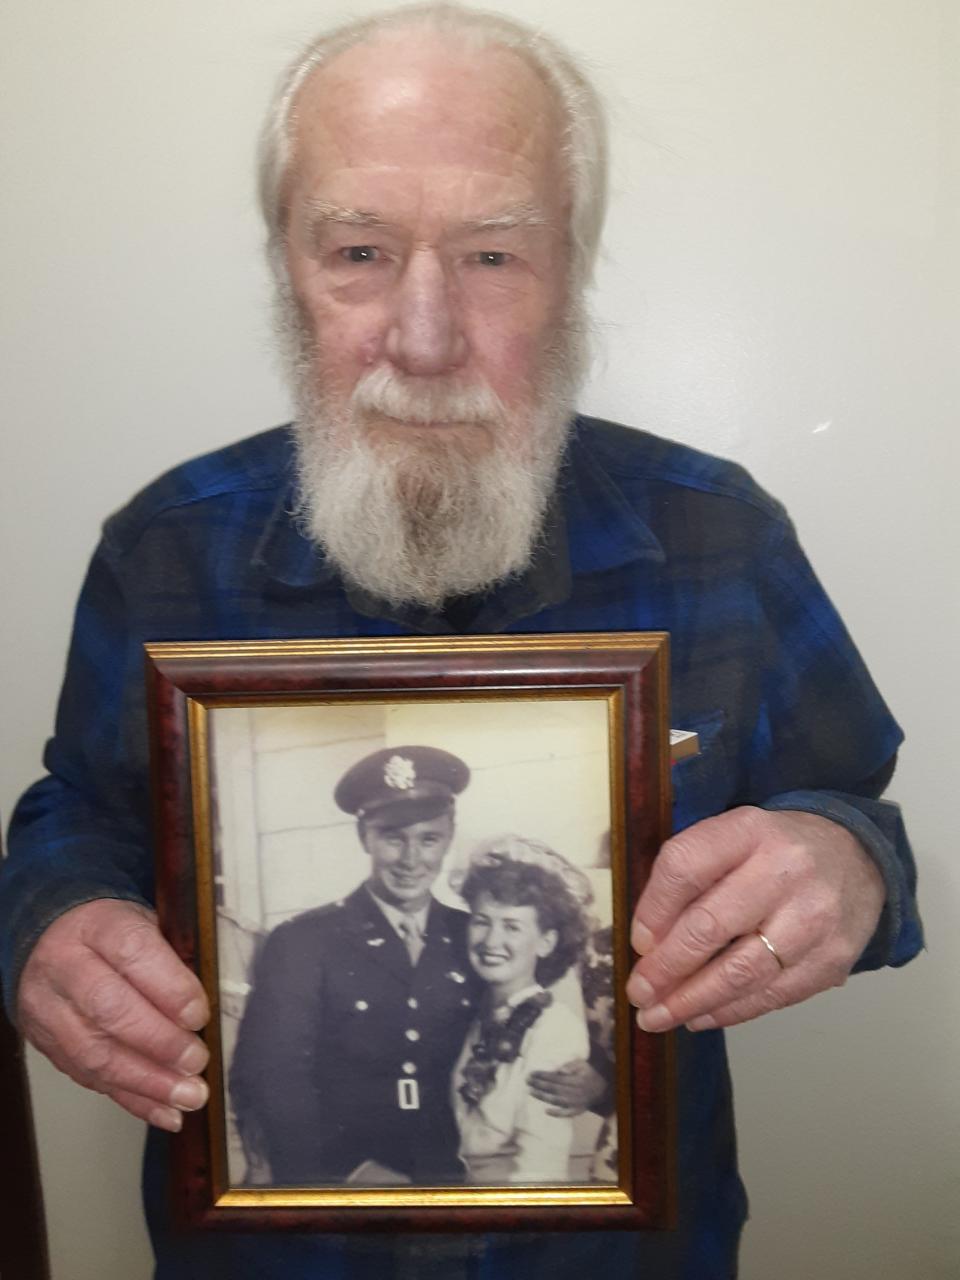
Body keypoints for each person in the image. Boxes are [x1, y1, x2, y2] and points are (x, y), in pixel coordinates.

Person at [0, 4, 922, 1278]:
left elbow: (851, 794)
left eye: (493, 256)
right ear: (287, 263)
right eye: (361, 250)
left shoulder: (718, 532)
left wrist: (846, 863)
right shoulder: (165, 547)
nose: (423, 339)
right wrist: (51, 914)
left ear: (572, 263)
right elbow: (82, 808)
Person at [229, 744, 480, 1186]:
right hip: (344, 1182)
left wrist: (598, 1080)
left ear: (450, 837)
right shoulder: (303, 941)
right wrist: (346, 1173)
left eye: (428, 839)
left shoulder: (472, 936)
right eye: (392, 838)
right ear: (364, 836)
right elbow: (272, 1078)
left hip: (457, 1177)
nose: (410, 859)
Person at [452, 836, 594, 1184]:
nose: (490, 941)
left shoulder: (553, 1030)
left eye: (512, 926)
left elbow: (540, 1168)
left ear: (546, 942)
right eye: (482, 920)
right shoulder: (477, 1014)